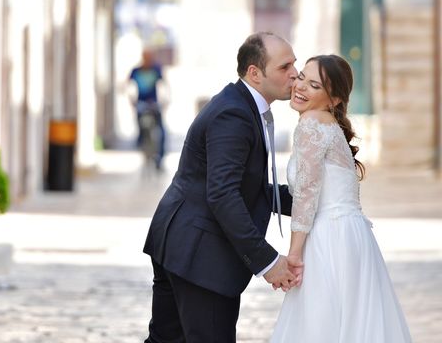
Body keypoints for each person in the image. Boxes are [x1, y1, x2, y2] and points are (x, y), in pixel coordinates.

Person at [143, 32, 301, 343]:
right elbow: (223, 194)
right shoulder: (234, 114)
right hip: (199, 253)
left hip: (179, 241)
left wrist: (306, 200)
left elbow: (247, 187)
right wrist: (267, 261)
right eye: (285, 67)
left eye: (294, 64)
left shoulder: (240, 104)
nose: (295, 73)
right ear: (255, 74)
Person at [270, 54, 412, 342]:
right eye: (301, 78)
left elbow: (307, 195)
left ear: (333, 99)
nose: (301, 87)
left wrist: (294, 256)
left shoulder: (310, 123)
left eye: (314, 85)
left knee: (321, 324)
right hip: (352, 237)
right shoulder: (328, 125)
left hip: (328, 239)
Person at [128, 49, 169, 170]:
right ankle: (141, 143)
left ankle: (160, 158)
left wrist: (165, 100)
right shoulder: (136, 71)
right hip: (140, 103)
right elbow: (128, 85)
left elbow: (165, 85)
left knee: (161, 131)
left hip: (154, 104)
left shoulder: (156, 69)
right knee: (139, 125)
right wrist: (131, 100)